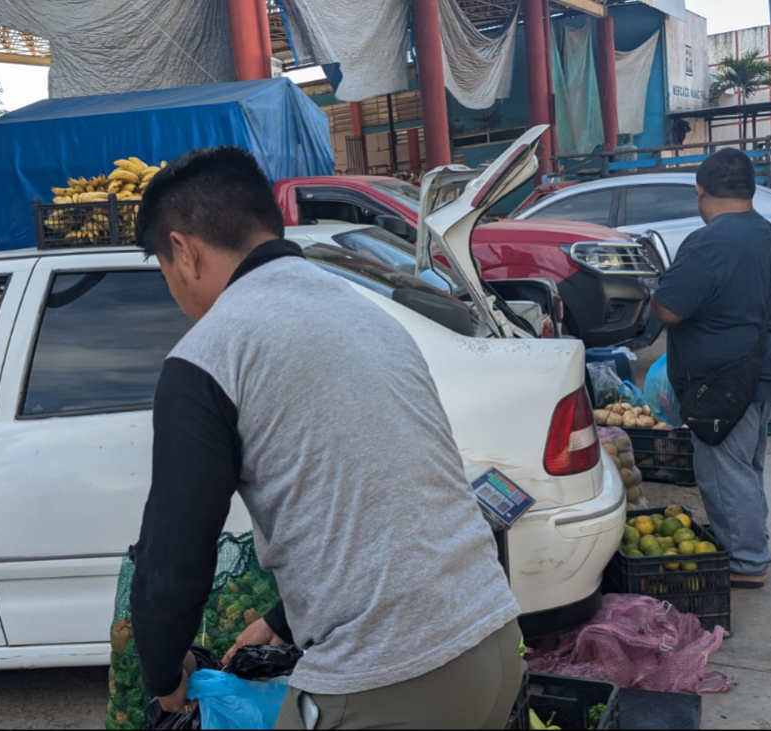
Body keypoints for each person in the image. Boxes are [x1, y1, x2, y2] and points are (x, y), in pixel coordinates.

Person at [127, 147, 523, 730]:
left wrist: (165, 678)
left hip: (387, 681)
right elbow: (381, 499)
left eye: (163, 268)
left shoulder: (209, 354)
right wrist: (284, 620)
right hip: (493, 644)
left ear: (183, 251)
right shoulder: (365, 314)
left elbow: (172, 562)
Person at [651, 149, 771, 590]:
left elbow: (670, 310)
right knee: (747, 467)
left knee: (725, 472)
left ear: (700, 191)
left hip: (724, 380)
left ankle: (747, 562)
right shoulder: (770, 235)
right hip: (767, 370)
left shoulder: (710, 240)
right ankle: (752, 541)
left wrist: (655, 293)